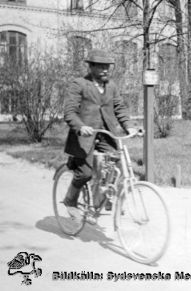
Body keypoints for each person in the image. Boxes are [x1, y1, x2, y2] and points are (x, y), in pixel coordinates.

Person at [63, 48, 136, 221]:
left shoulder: (111, 86)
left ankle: (99, 203)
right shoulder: (79, 84)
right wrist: (80, 127)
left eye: (107, 66)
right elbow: (69, 112)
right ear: (91, 67)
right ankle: (70, 201)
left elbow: (119, 108)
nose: (105, 70)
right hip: (84, 135)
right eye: (101, 66)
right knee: (85, 173)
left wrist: (129, 126)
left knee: (114, 166)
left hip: (106, 133)